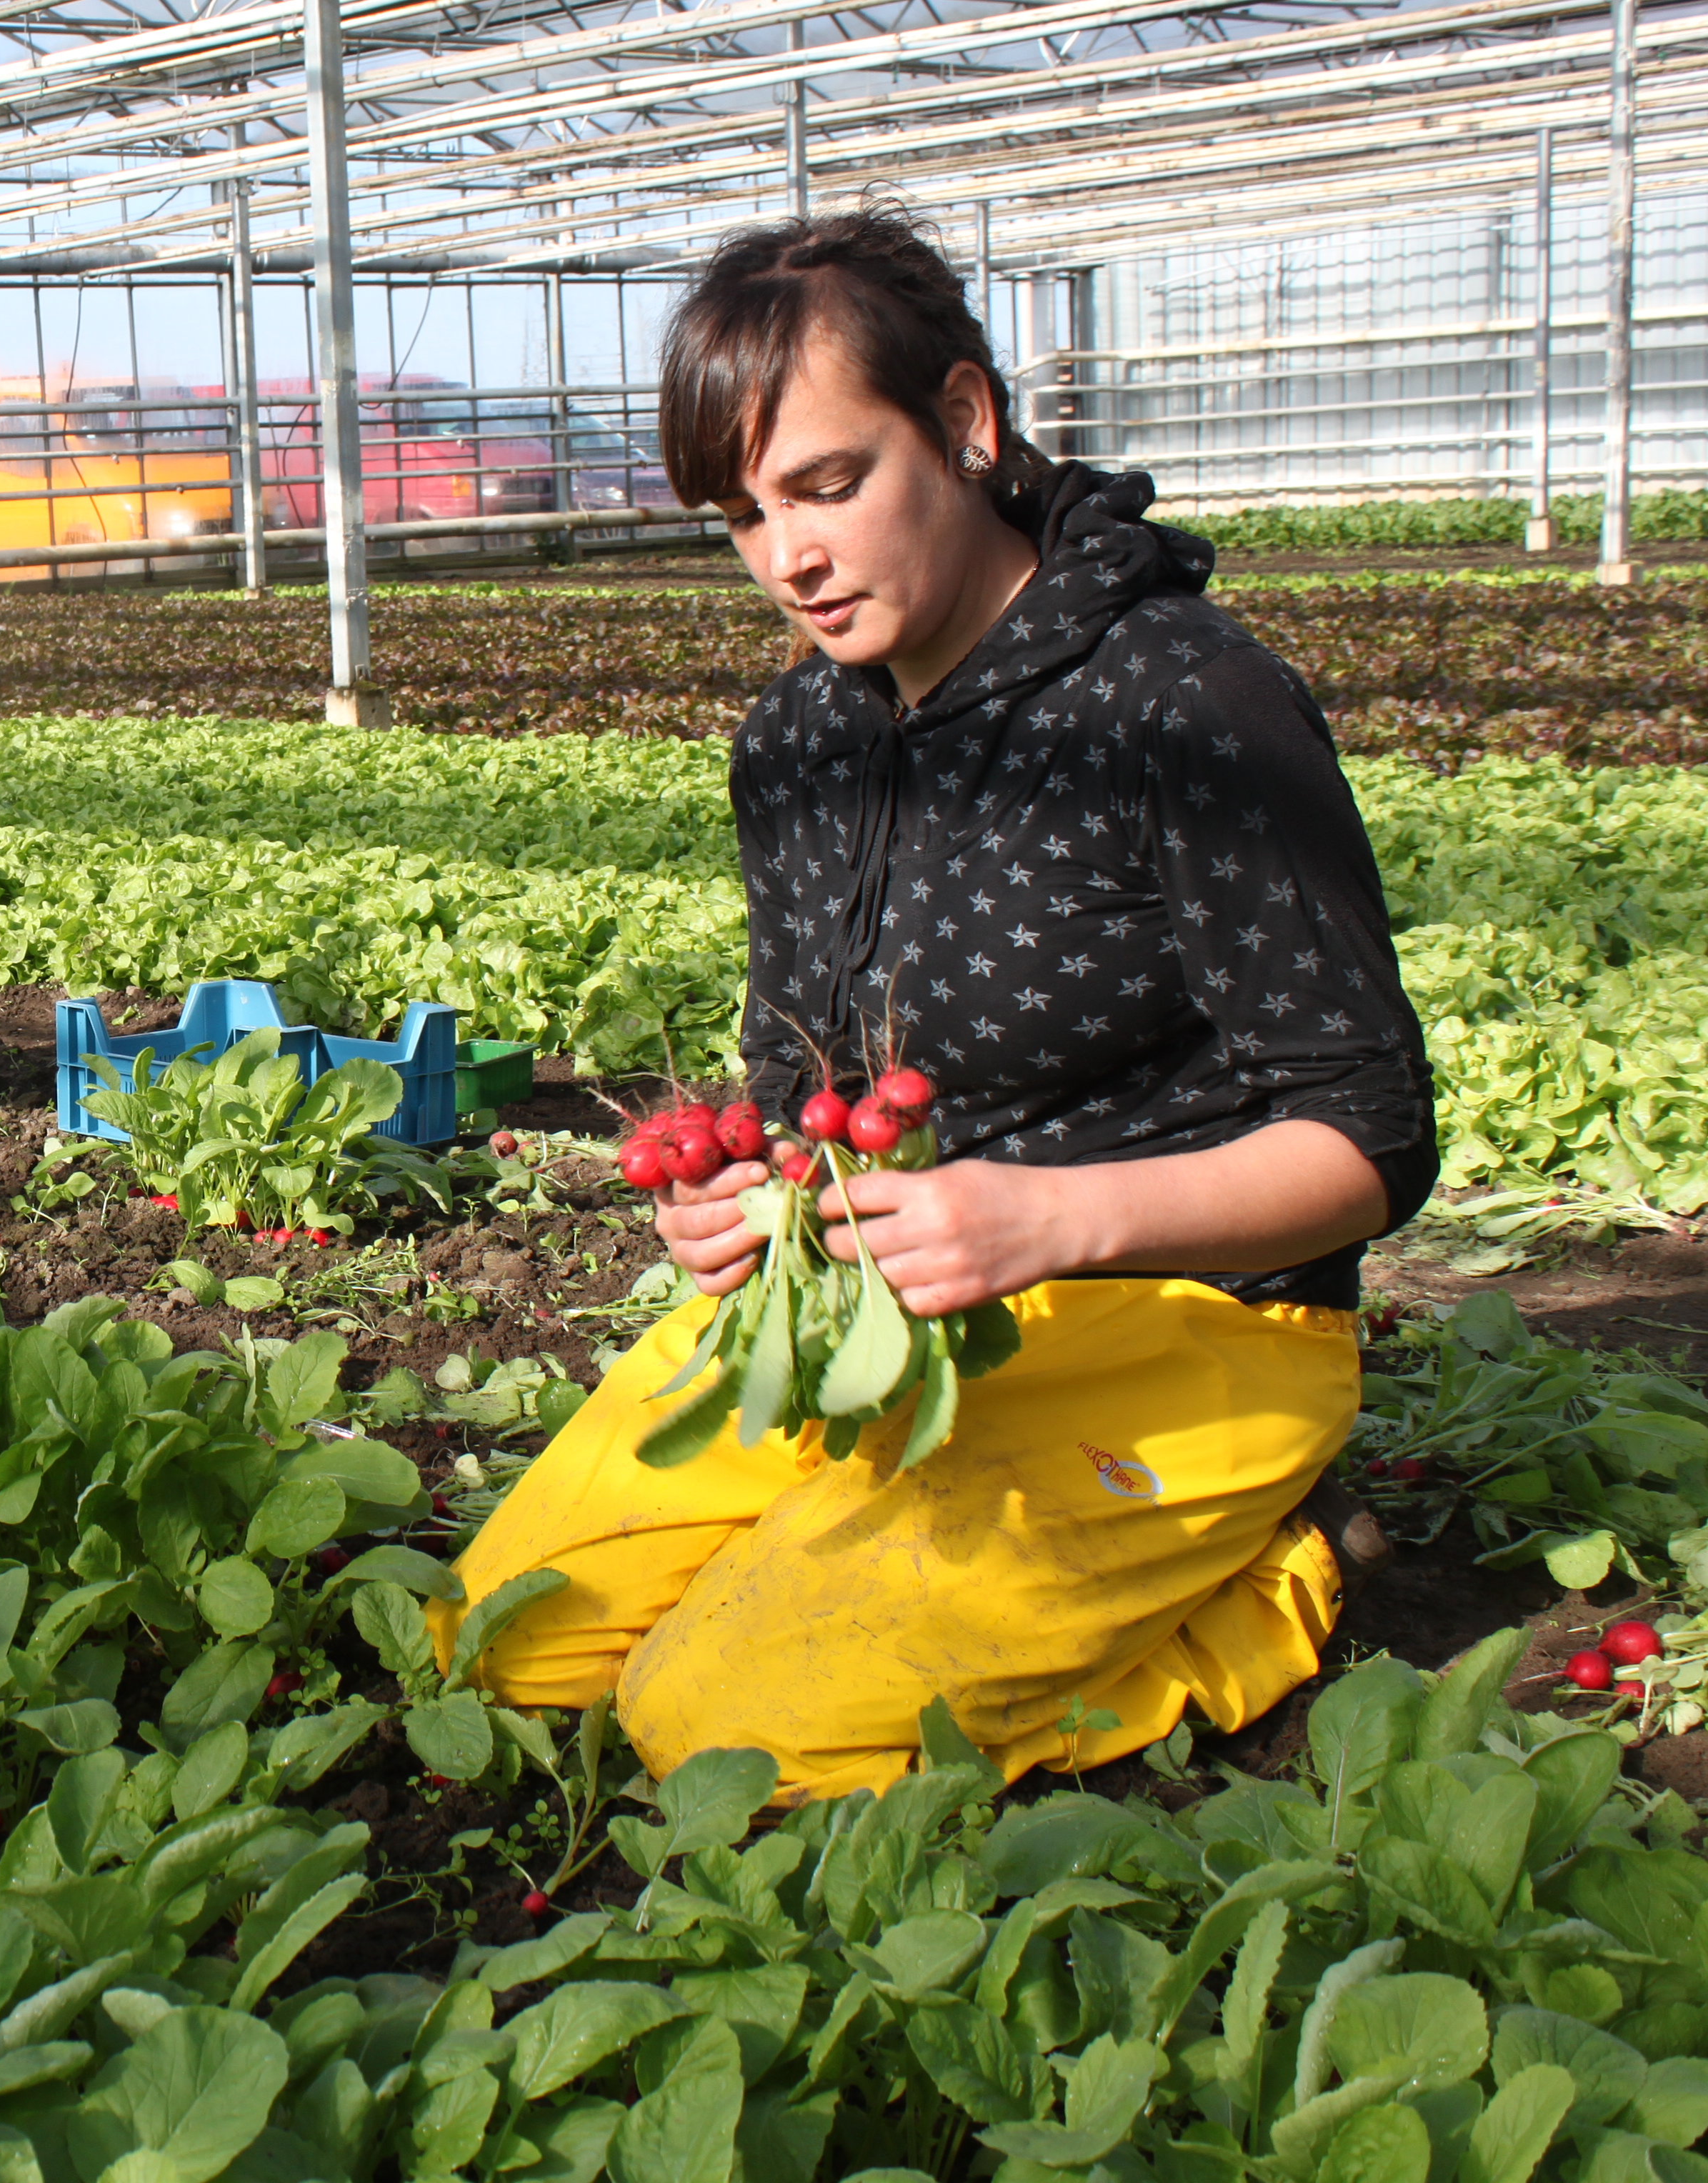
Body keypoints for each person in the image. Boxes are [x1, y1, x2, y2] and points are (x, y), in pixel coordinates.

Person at [430, 208, 1436, 1797]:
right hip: (881, 1319)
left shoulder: (1186, 704)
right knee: (502, 1642)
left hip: (1187, 1323)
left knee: (728, 1732)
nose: (791, 561)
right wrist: (748, 1191)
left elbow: (1372, 1138)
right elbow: (792, 1071)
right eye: (743, 516)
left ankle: (1276, 1575)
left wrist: (1052, 1222)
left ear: (965, 426)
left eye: (830, 485)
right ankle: (850, 1536)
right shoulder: (799, 742)